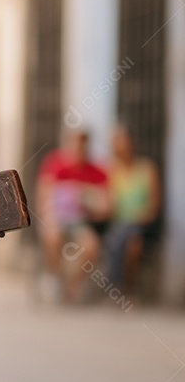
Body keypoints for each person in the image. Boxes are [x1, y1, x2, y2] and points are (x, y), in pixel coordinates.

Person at [36, 129, 110, 302]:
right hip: (56, 218)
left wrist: (87, 198)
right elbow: (43, 196)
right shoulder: (55, 164)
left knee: (91, 246)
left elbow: (105, 207)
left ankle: (73, 286)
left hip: (80, 221)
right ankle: (56, 277)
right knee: (52, 238)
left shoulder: (96, 171)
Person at [104, 126, 160, 294]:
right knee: (118, 237)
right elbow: (109, 204)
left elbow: (154, 205)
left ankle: (125, 286)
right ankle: (117, 286)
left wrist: (138, 218)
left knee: (133, 241)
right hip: (118, 224)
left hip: (142, 225)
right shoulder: (112, 171)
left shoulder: (146, 168)